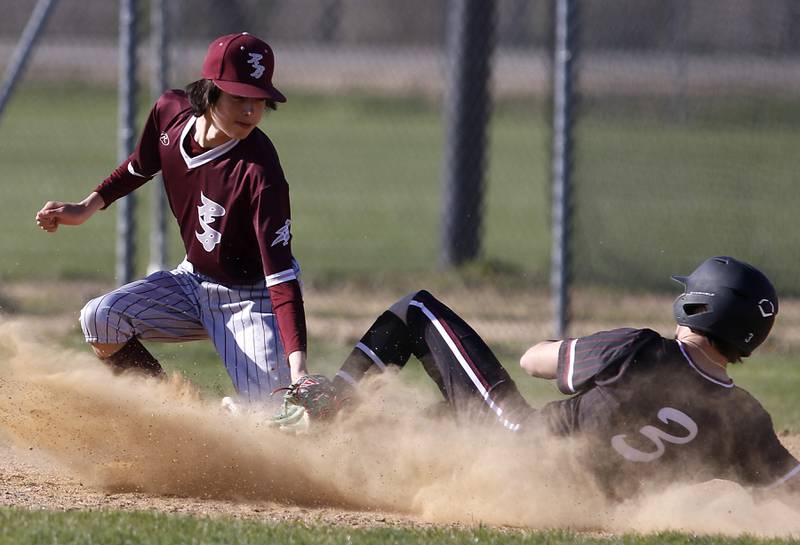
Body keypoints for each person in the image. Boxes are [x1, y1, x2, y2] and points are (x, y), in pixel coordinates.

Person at [276, 256, 799, 499]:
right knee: (440, 415)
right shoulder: (745, 418)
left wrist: (589, 352)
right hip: (586, 503)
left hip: (522, 449)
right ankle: (358, 444)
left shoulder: (644, 350)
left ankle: (332, 402)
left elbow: (533, 361)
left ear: (697, 304)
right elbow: (789, 490)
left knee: (416, 310)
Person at [35, 32, 307, 405]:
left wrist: (299, 371)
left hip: (250, 298)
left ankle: (244, 417)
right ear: (210, 90)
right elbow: (140, 165)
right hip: (191, 282)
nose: (250, 111)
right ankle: (173, 410)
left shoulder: (260, 171)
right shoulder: (169, 113)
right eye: (239, 97)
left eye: (259, 101)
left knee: (272, 415)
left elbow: (281, 277)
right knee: (100, 318)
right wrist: (85, 208)